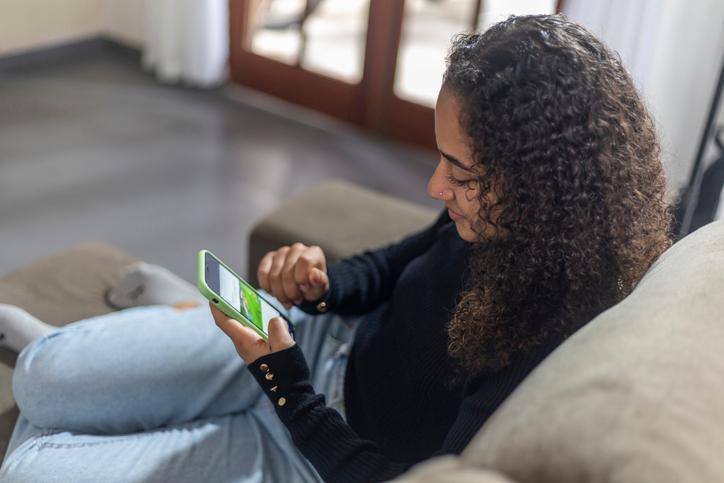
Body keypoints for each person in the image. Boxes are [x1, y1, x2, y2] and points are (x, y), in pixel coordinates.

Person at [0, 14, 671, 483]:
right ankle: (151, 341)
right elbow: (397, 263)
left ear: (542, 184)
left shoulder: (556, 330)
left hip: (318, 454)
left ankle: (164, 331)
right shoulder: (492, 220)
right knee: (36, 376)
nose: (437, 185)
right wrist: (324, 285)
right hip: (316, 344)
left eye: (461, 174)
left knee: (27, 466)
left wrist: (283, 384)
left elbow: (411, 479)